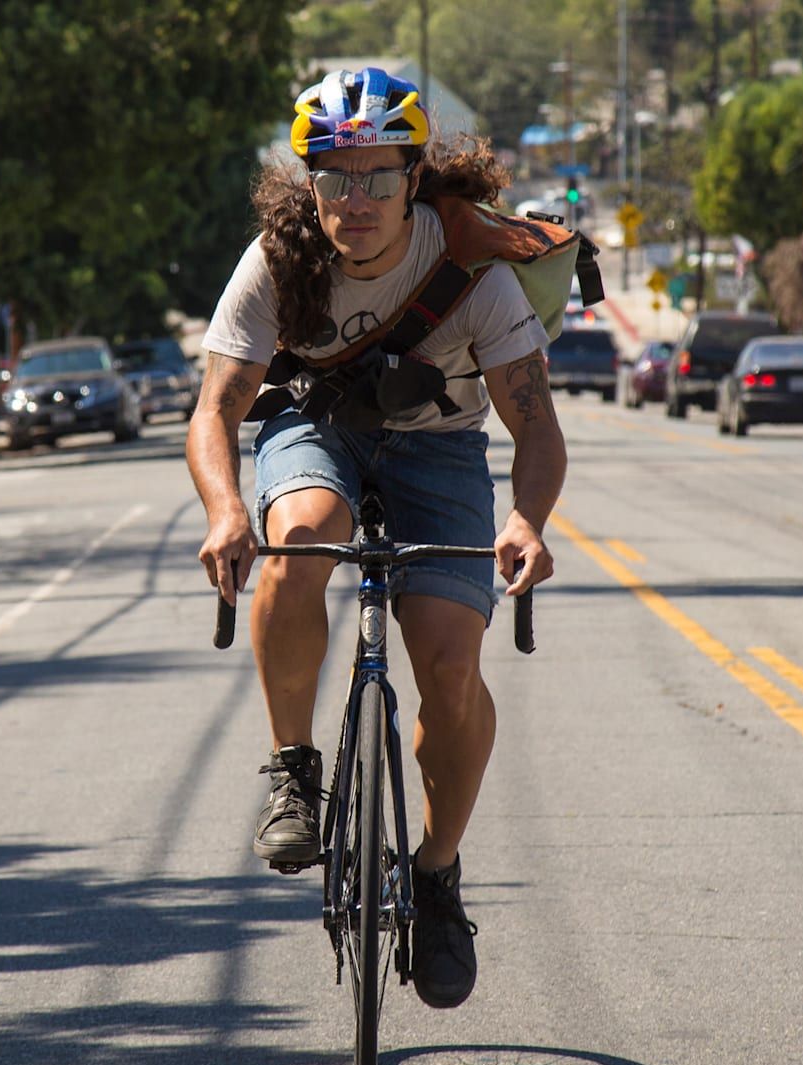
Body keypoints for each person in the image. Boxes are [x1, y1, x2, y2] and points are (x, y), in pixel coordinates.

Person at [185, 68, 567, 1010]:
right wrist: (227, 512)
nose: (354, 202)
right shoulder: (278, 261)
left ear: (412, 176)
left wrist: (527, 518)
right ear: (307, 184)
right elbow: (214, 411)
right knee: (304, 538)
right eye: (334, 178)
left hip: (439, 445)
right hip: (317, 422)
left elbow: (537, 427)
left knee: (447, 665)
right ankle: (293, 772)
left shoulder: (472, 267)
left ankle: (435, 876)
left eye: (378, 178)